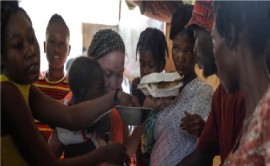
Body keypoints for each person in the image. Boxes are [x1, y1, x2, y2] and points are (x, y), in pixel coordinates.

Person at [1, 2, 138, 165]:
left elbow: (71, 117)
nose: (30, 50)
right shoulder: (7, 93)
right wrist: (103, 155)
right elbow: (48, 164)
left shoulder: (25, 88)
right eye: (18, 45)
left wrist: (116, 98)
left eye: (32, 39)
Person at [178, 1, 245, 165]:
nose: (194, 49)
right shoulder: (221, 94)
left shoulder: (247, 94)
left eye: (196, 36)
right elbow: (203, 154)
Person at [150, 4, 213, 166]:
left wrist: (203, 130)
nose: (180, 57)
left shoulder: (204, 93)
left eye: (187, 50)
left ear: (197, 50)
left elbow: (207, 152)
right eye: (176, 48)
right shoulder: (161, 86)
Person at [212, 1, 270, 165]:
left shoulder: (267, 113)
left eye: (214, 41)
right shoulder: (255, 114)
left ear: (230, 35)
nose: (214, 55)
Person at [49, 56, 110, 159]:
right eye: (100, 88)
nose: (103, 92)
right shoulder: (63, 126)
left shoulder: (99, 114)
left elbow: (105, 125)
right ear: (83, 91)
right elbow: (48, 160)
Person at [126, 27, 169, 165]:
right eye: (142, 64)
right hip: (141, 157)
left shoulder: (168, 89)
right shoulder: (137, 86)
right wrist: (145, 109)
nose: (145, 70)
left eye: (150, 65)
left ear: (161, 64)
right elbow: (135, 125)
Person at [34, 14, 71, 141]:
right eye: (52, 42)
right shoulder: (32, 83)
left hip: (61, 160)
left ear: (69, 50)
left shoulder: (73, 88)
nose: (56, 49)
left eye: (62, 44)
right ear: (44, 46)